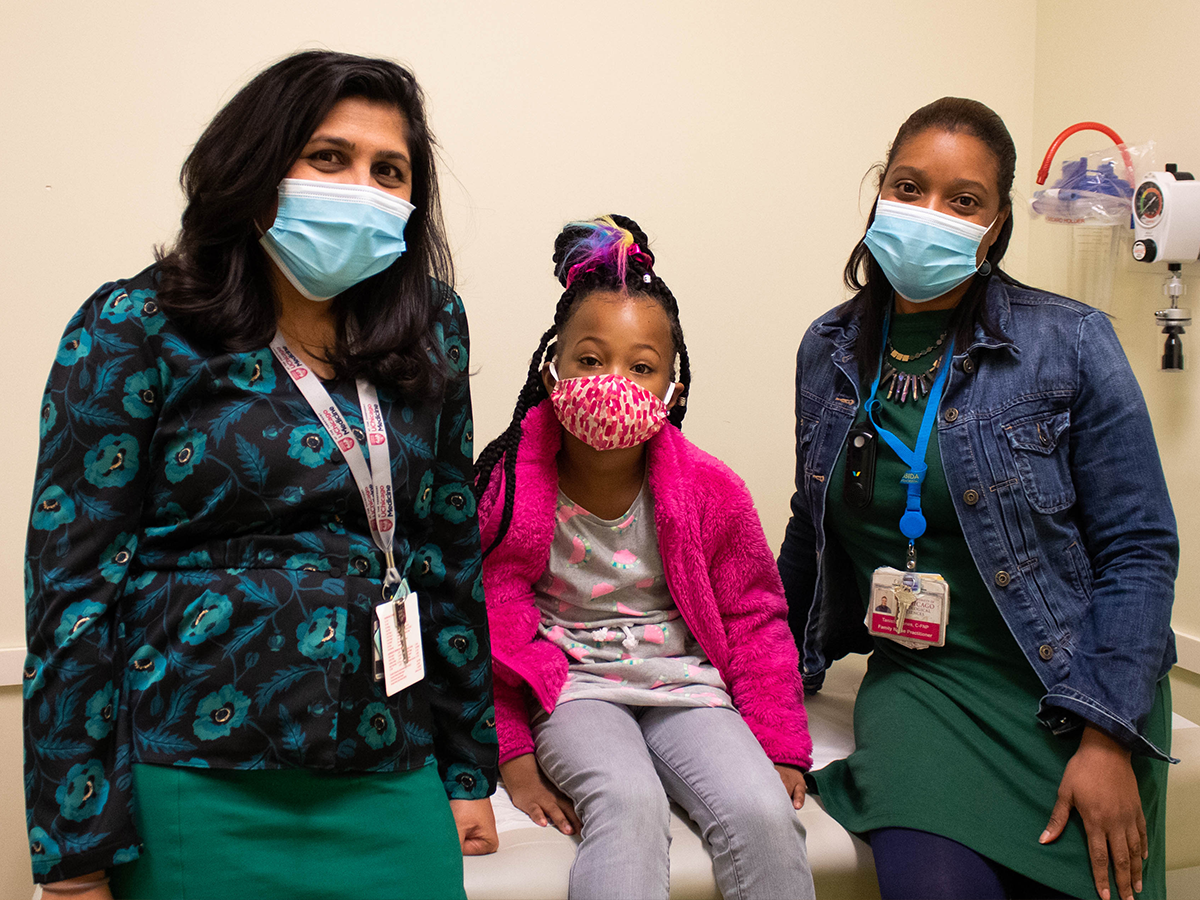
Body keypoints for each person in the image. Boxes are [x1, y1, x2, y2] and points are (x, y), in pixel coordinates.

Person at [23, 50, 498, 900]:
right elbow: (72, 594)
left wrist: (466, 770)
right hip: (191, 777)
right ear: (254, 167)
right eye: (329, 158)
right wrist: (73, 851)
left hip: (390, 767)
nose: (361, 189)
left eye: (388, 171)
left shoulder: (431, 328)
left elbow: (446, 552)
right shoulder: (136, 324)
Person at [779, 97, 1177, 900]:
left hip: (1072, 683)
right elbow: (810, 527)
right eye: (909, 188)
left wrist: (1108, 737)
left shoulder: (1070, 342)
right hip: (923, 688)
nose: (929, 213)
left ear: (994, 229)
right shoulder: (827, 349)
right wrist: (759, 679)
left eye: (963, 201)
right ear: (879, 196)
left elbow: (1139, 549)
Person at [474, 215, 816, 900]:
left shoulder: (712, 490)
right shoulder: (506, 490)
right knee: (629, 804)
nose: (613, 383)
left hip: (685, 688)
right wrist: (512, 754)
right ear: (552, 371)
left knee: (762, 813)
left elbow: (755, 618)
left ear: (672, 391)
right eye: (590, 360)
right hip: (574, 690)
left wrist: (779, 746)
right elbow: (490, 630)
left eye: (641, 368)